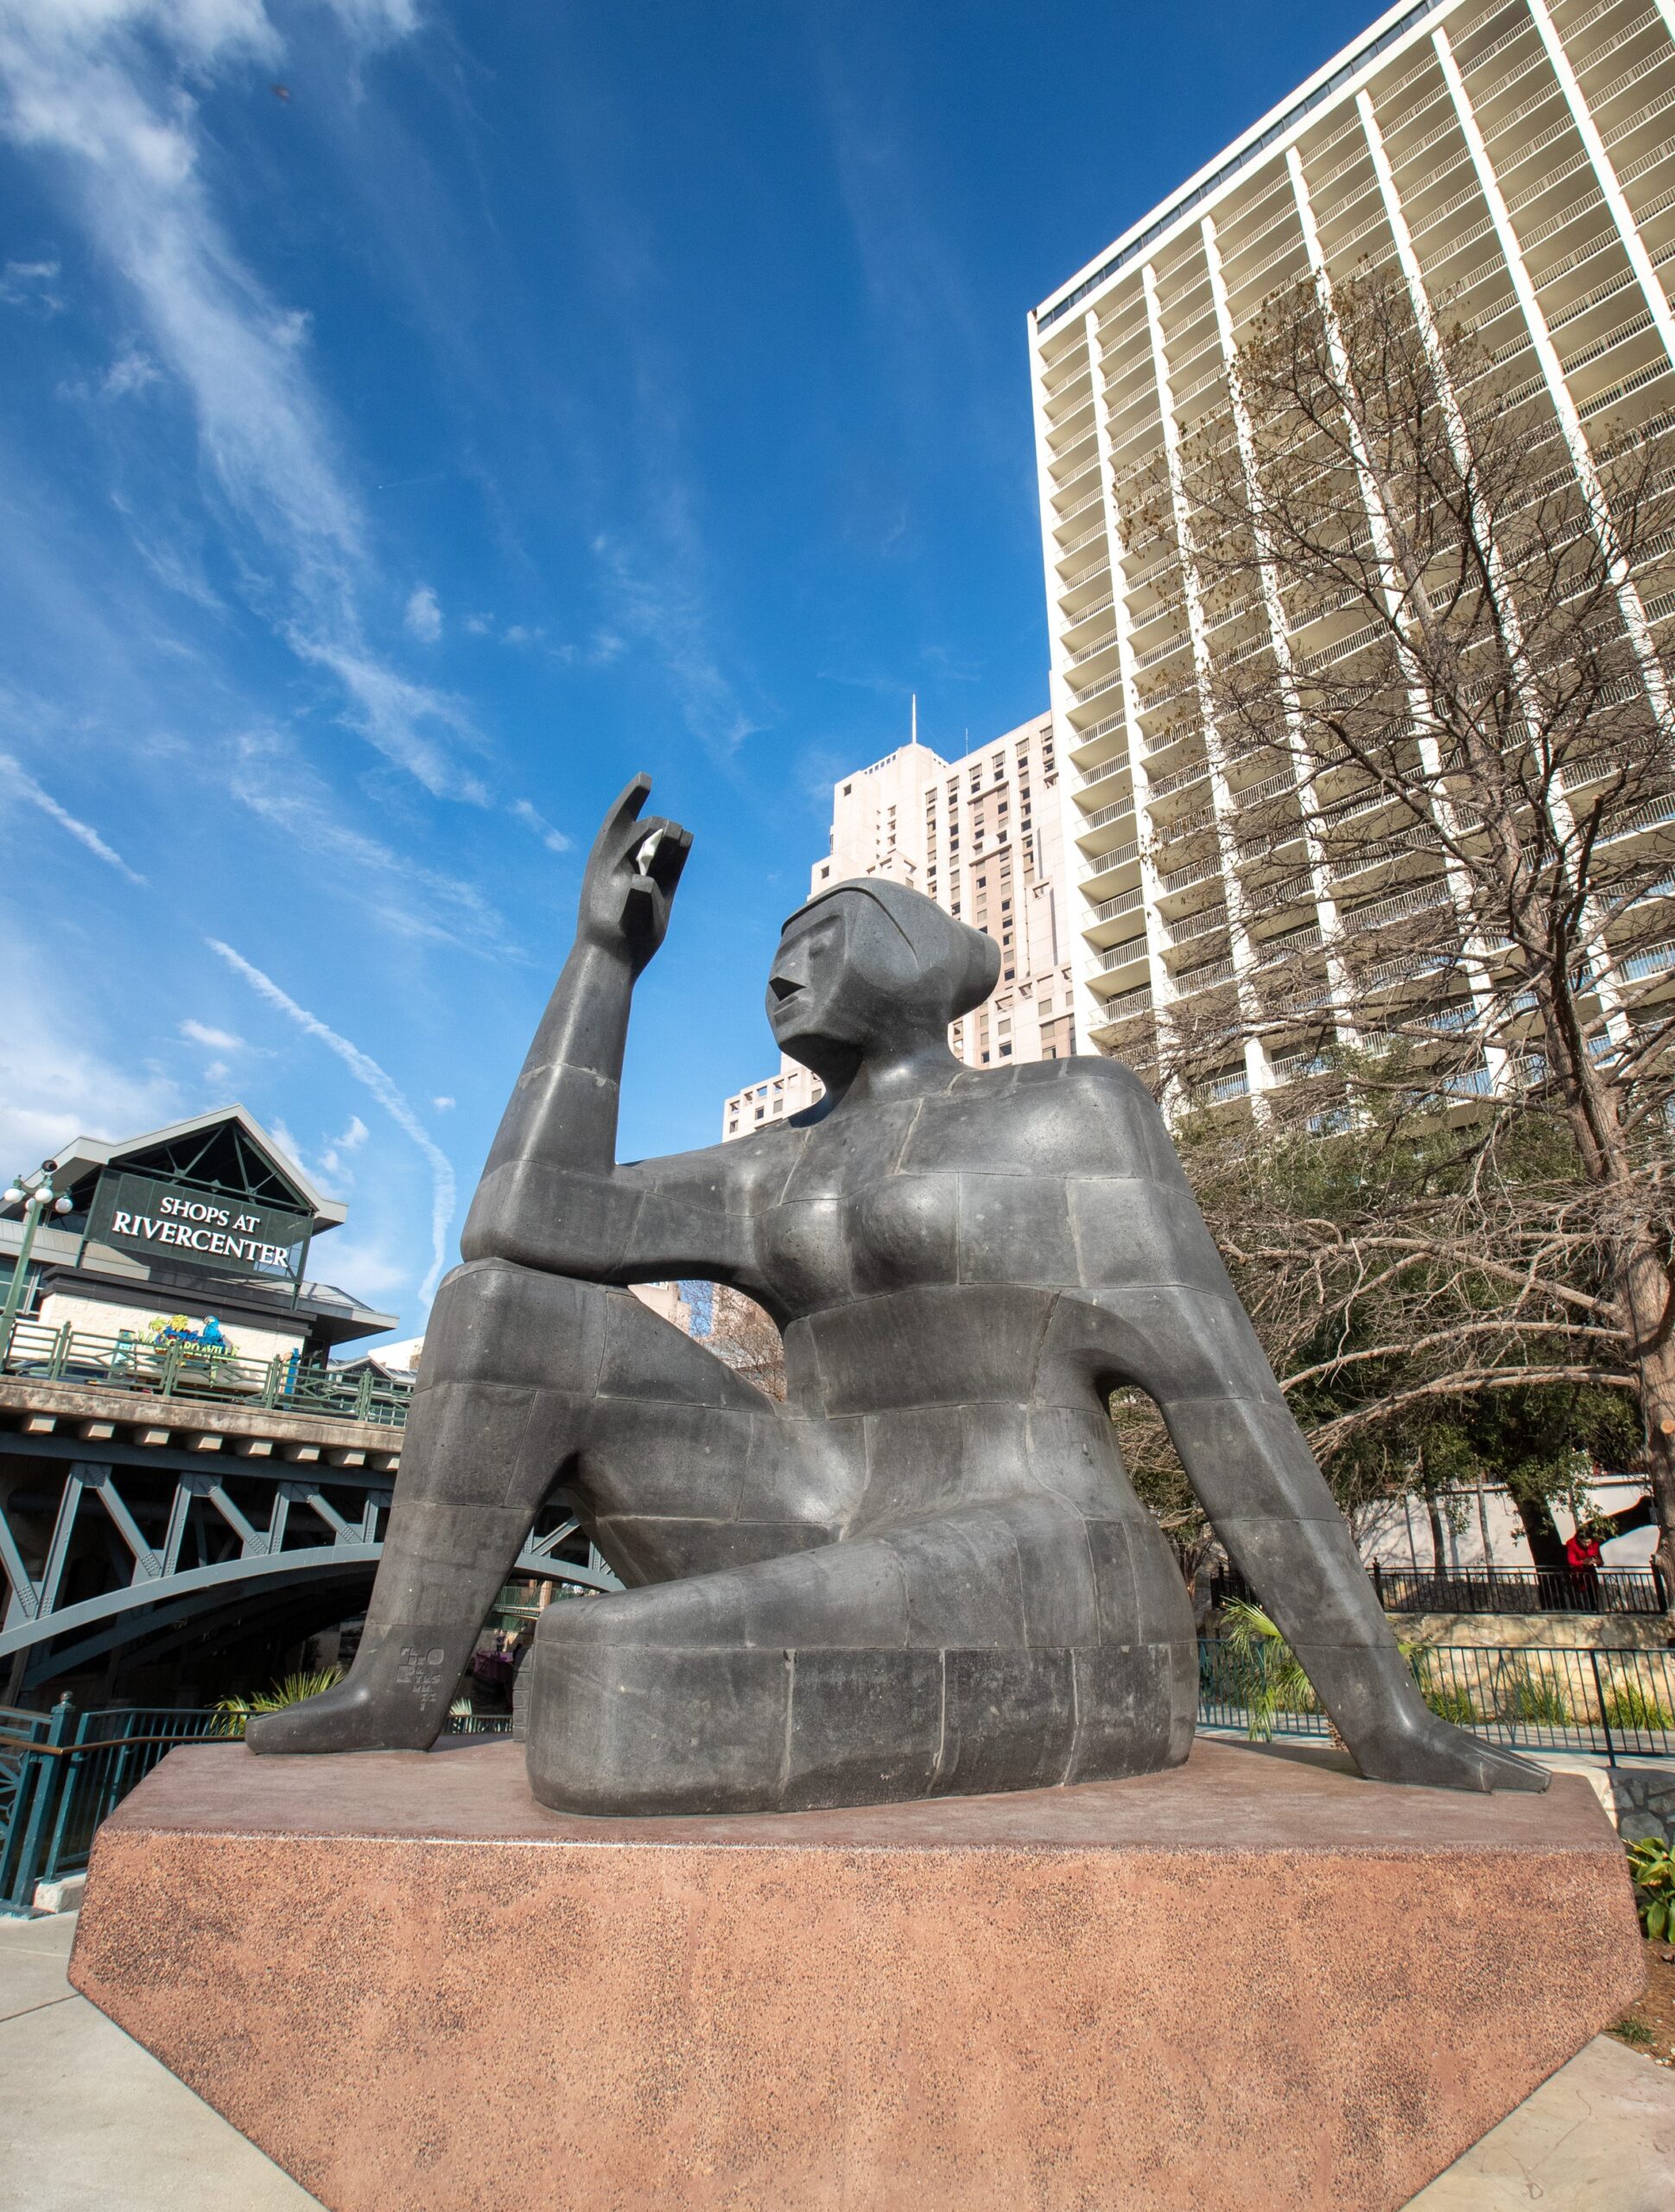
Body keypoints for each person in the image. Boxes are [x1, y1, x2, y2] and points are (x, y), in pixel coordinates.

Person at [250, 779, 1543, 1810]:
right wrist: (604, 966)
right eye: (776, 951)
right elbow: (519, 1222)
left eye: (821, 938)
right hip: (823, 1514)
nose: (783, 970)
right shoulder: (772, 1169)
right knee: (497, 1306)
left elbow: (1227, 1402)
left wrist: (1389, 1719)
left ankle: (604, 1689)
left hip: (1039, 1557)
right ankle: (390, 1689)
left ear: (918, 962)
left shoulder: (1070, 1115)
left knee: (605, 1679)